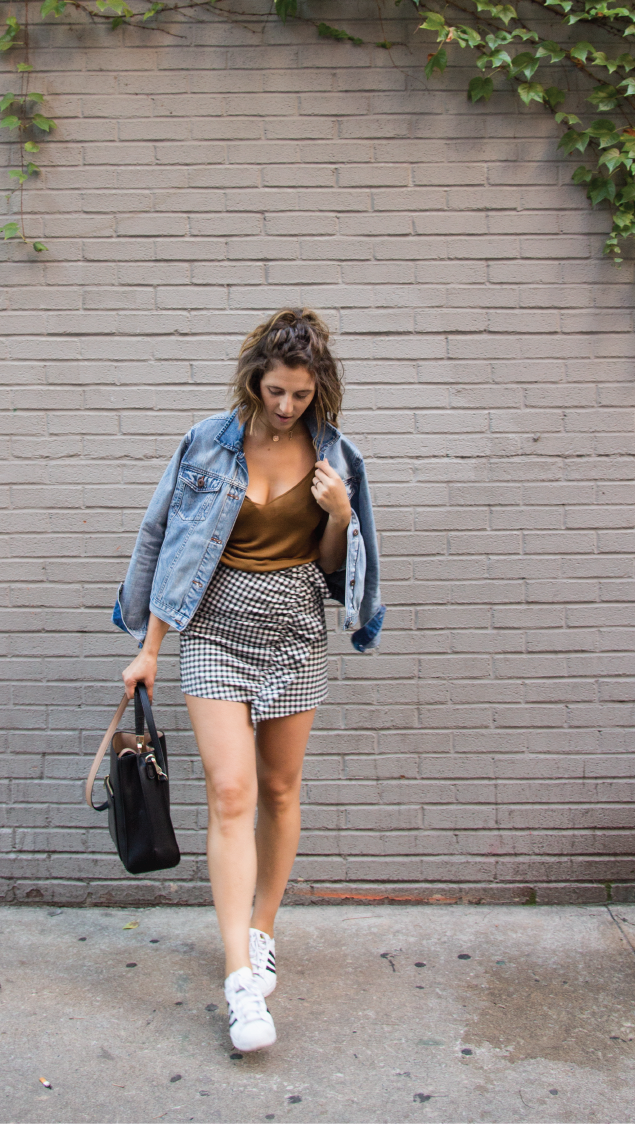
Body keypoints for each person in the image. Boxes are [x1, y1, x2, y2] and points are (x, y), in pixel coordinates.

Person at [113, 308, 384, 1052]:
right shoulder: (208, 442)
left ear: (317, 388)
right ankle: (240, 983)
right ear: (254, 380)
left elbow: (334, 567)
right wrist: (150, 646)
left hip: (295, 627)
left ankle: (262, 927)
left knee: (280, 789)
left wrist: (339, 514)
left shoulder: (337, 458)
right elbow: (165, 538)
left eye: (299, 394)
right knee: (230, 792)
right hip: (214, 628)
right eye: (275, 391)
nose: (286, 406)